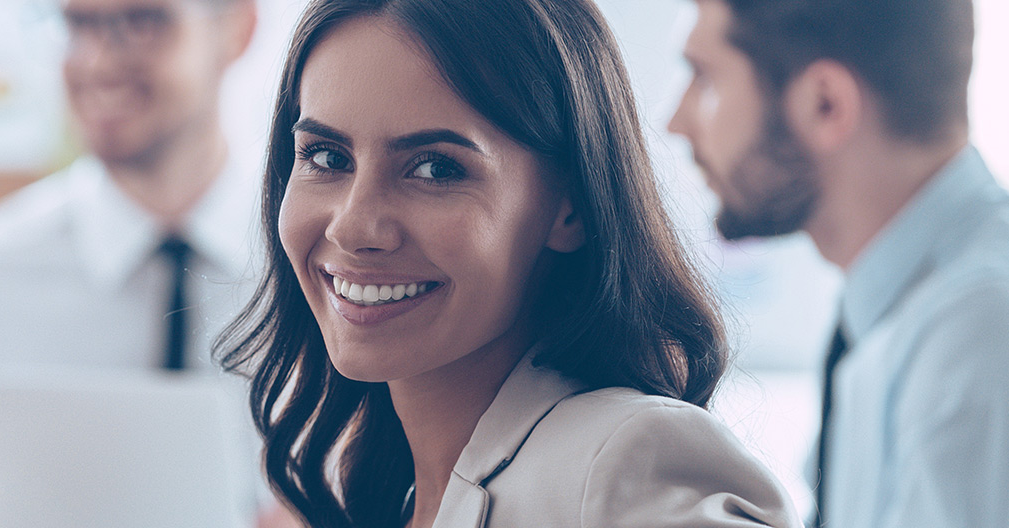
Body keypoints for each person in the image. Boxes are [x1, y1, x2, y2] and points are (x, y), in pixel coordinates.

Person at [219, 0, 799, 526]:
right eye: (326, 156)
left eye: (435, 169)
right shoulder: (393, 496)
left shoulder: (625, 465)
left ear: (568, 207)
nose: (352, 226)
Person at [667, 0, 1004, 526]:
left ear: (826, 104)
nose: (676, 123)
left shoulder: (974, 330)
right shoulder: (901, 307)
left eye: (705, 78)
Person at [0, 0, 260, 376]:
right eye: (76, 24)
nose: (97, 62)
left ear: (237, 28)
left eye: (142, 21)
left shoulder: (308, 275)